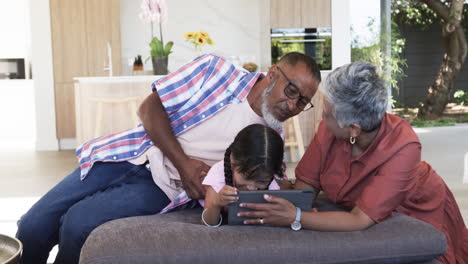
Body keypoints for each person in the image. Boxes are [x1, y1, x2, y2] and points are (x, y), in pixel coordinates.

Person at [16, 52, 321, 264]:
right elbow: (149, 109)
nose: (293, 104)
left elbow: (264, 187)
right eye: (291, 90)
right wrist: (184, 164)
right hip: (130, 153)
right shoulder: (215, 71)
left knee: (77, 224)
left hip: (162, 186)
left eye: (303, 102)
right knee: (32, 226)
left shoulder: (272, 139)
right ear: (272, 74)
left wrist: (300, 202)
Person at [238, 61, 468, 263]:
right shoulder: (330, 130)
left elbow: (360, 219)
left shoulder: (404, 146)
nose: (321, 117)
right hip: (353, 207)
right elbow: (305, 186)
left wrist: (296, 217)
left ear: (353, 129)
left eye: (327, 113)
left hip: (416, 207)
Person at [200, 124, 284, 226]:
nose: (251, 187)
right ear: (233, 161)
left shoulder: (269, 179)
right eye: (246, 177)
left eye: (261, 181)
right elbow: (207, 224)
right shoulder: (218, 175)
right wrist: (216, 202)